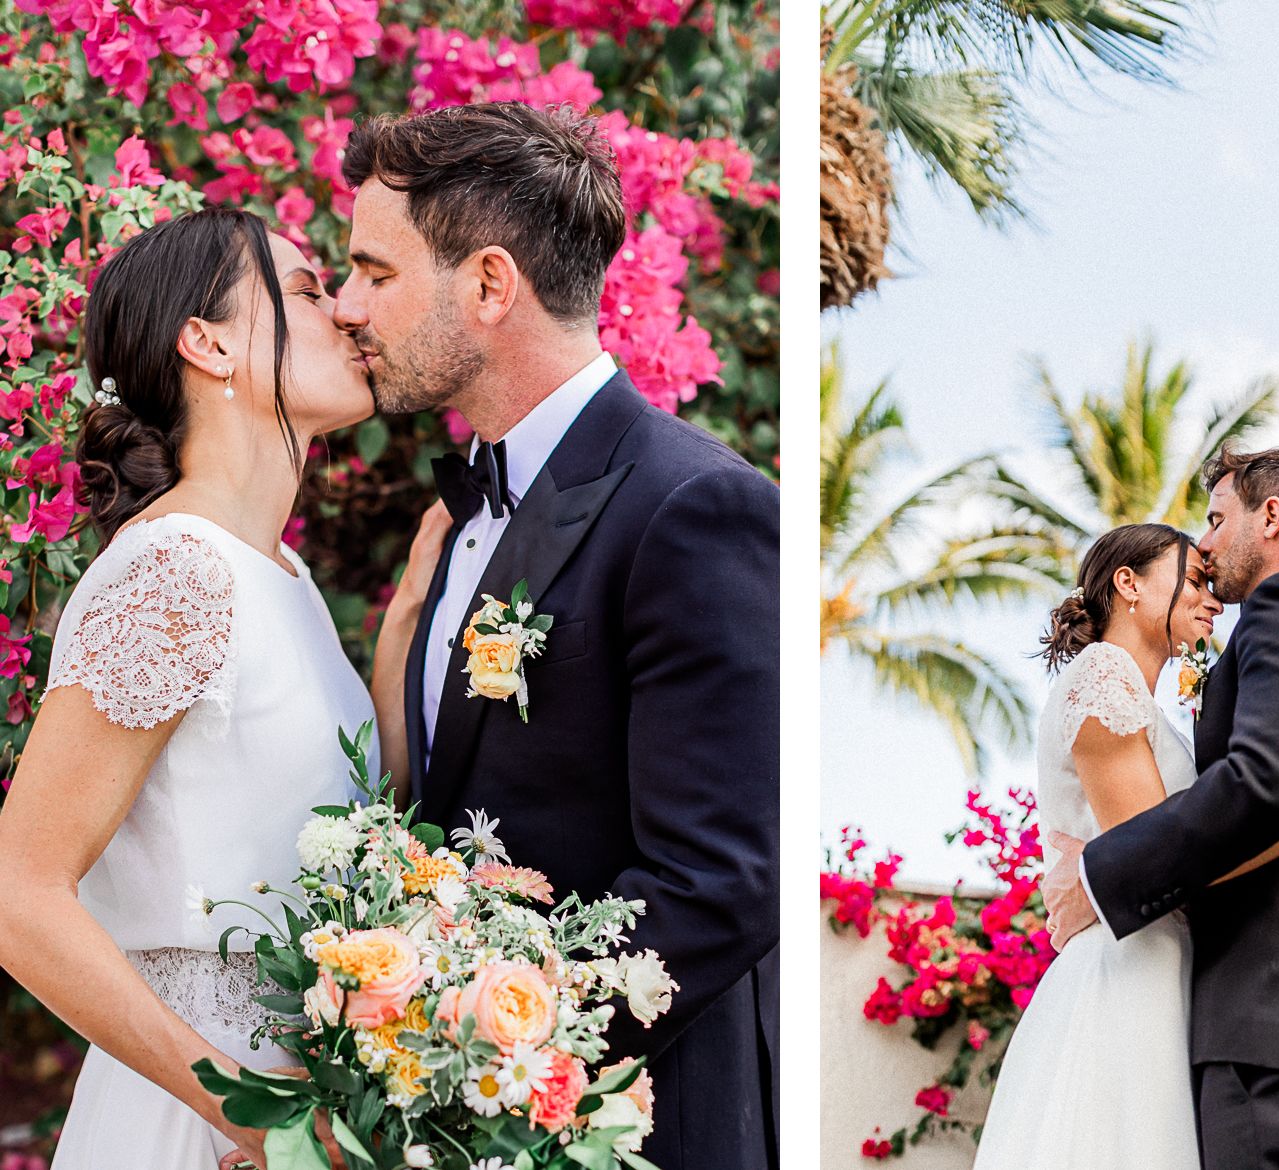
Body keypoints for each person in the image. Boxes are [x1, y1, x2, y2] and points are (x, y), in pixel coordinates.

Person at [332, 102, 779, 1170]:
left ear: (489, 285)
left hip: (634, 1121)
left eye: (375, 274)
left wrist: (470, 1058)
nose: (347, 306)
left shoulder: (694, 506)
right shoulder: (458, 521)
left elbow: (716, 881)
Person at [0, 207, 449, 1169]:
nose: (346, 315)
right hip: (200, 1118)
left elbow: (330, 828)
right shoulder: (175, 571)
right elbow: (16, 894)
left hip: (312, 1096)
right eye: (305, 292)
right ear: (205, 343)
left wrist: (409, 618)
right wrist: (243, 1112)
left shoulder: (282, 577)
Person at [1045, 448, 1279, 1169]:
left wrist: (1101, 880)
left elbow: (1262, 783)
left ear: (1273, 517)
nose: (1210, 547)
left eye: (1219, 521)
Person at [971, 521, 1279, 1167]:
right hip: (1129, 972)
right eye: (1194, 579)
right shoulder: (1104, 677)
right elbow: (1163, 855)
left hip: (1166, 965)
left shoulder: (1143, 703)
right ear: (1129, 584)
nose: (1213, 599)